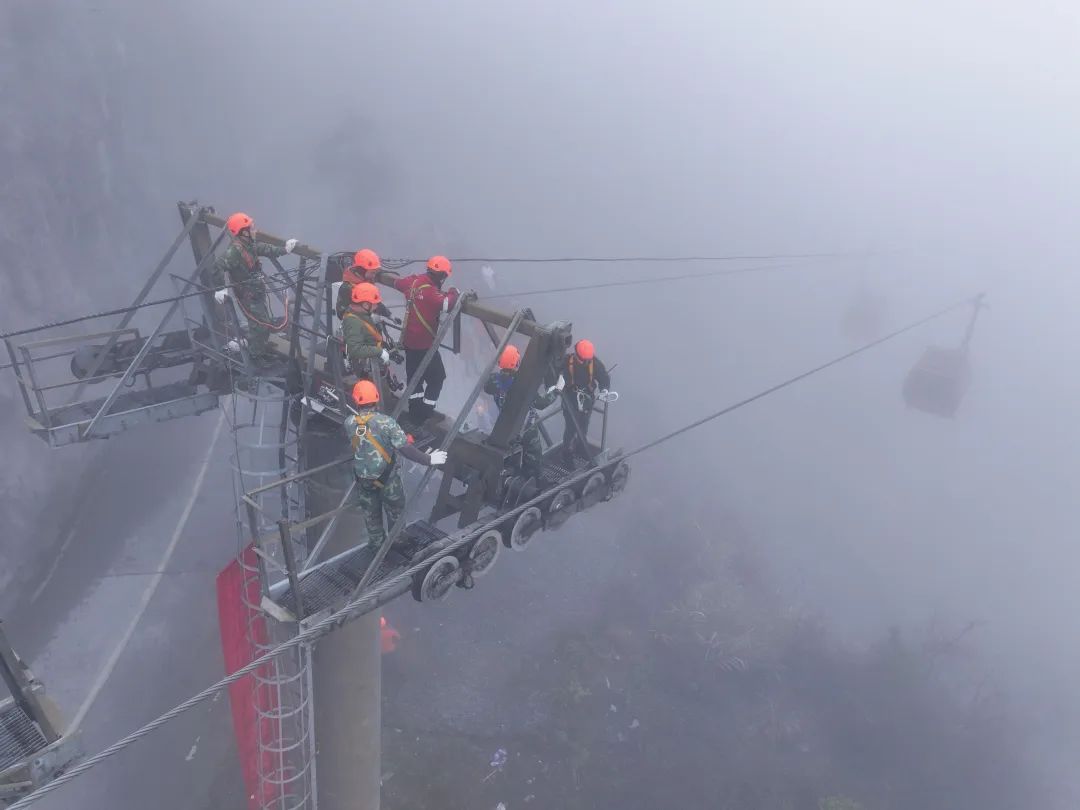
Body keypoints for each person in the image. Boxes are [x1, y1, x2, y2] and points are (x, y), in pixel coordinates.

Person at [344, 380, 447, 549]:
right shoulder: (387, 423)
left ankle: (376, 544)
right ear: (376, 399)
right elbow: (405, 448)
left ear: (356, 400)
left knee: (371, 515)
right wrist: (428, 459)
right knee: (396, 512)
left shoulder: (349, 423)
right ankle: (397, 541)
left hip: (363, 481)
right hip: (387, 481)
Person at [212, 212, 299, 365]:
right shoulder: (234, 252)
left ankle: (260, 351)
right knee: (261, 325)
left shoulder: (249, 245)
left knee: (262, 324)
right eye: (251, 228)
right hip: (248, 295)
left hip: (256, 291)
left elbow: (265, 249)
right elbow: (218, 266)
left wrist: (285, 249)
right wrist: (220, 288)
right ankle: (255, 357)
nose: (255, 230)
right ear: (242, 232)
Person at [392, 255, 461, 421]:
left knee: (415, 377)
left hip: (409, 341)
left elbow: (397, 283)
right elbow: (446, 304)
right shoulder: (431, 292)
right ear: (442, 276)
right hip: (424, 344)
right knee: (437, 378)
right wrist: (454, 292)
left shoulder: (413, 282)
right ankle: (424, 414)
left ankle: (415, 412)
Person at [484, 345, 564, 478]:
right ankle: (532, 481)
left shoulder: (493, 380)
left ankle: (510, 475)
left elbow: (488, 388)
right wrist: (556, 390)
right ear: (517, 363)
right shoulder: (523, 384)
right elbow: (541, 404)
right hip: (526, 428)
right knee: (533, 456)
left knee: (511, 454)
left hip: (504, 426)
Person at [559, 339, 612, 464]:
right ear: (576, 354)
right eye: (584, 360)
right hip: (570, 400)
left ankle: (580, 447)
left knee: (583, 426)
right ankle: (567, 454)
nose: (586, 362)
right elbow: (555, 372)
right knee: (570, 428)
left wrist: (604, 391)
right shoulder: (567, 362)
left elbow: (604, 379)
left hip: (586, 401)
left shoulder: (594, 364)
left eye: (588, 360)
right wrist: (558, 383)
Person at [341, 283, 391, 378]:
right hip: (365, 369)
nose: (376, 306)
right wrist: (379, 351)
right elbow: (355, 350)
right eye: (374, 304)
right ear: (365, 304)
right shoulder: (353, 322)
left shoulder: (360, 314)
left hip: (370, 364)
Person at [335, 249, 386, 320]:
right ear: (362, 270)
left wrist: (389, 314)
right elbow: (341, 313)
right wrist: (365, 316)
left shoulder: (368, 281)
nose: (374, 276)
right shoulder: (347, 288)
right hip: (357, 325)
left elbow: (375, 302)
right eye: (372, 272)